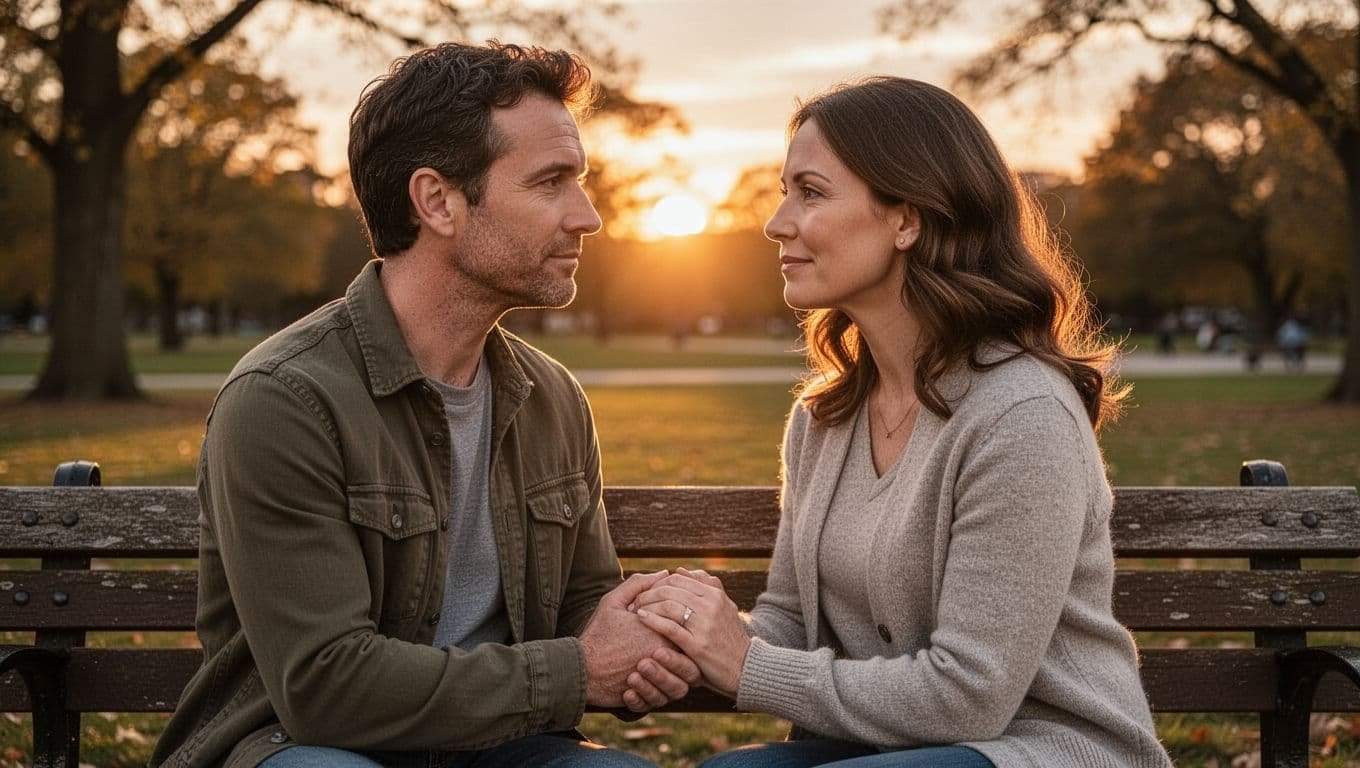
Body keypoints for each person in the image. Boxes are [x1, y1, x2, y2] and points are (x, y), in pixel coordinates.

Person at [150, 42, 698, 768]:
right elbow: (325, 686)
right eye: (550, 183)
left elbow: (582, 608)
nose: (587, 216)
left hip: (503, 745)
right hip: (308, 746)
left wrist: (653, 620)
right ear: (437, 201)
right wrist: (575, 671)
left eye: (580, 181)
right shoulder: (285, 400)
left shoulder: (552, 399)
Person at [629, 77, 1175, 768]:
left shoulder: (1022, 415)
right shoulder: (825, 417)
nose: (777, 222)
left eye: (812, 192)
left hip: (1039, 749)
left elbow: (969, 697)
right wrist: (679, 632)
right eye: (784, 190)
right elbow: (791, 623)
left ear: (907, 219)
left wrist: (744, 666)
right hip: (876, 746)